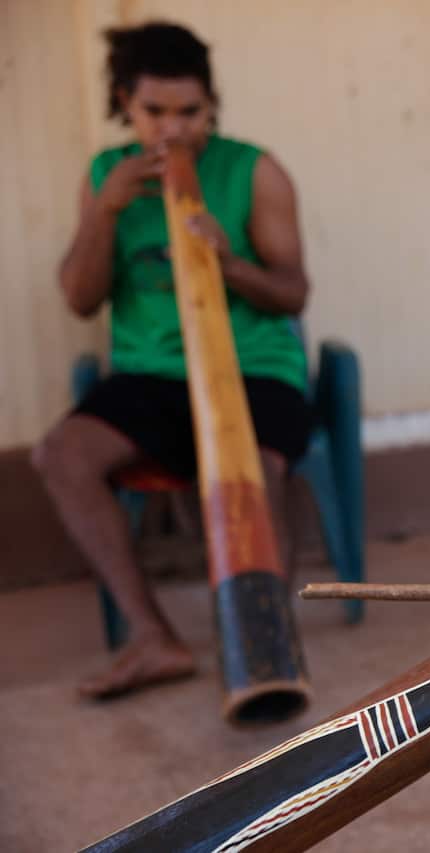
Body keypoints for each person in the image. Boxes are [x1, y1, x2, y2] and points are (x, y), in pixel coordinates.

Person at [31, 22, 312, 701]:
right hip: (153, 376)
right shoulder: (106, 177)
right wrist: (105, 212)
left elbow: (292, 292)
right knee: (61, 455)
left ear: (211, 105)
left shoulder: (254, 169)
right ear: (126, 103)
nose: (173, 130)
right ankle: (153, 637)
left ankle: (268, 649)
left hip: (253, 365)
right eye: (155, 112)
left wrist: (228, 261)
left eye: (190, 112)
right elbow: (79, 298)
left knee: (255, 469)